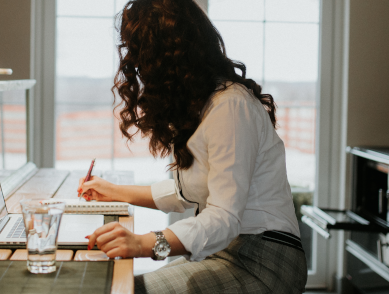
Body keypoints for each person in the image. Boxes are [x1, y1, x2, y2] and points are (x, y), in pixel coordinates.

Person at [76, 0, 308, 293]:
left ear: (170, 56)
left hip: (264, 262)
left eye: (143, 57)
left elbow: (223, 217)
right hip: (227, 251)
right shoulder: (206, 105)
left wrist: (142, 243)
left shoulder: (231, 106)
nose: (137, 68)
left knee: (125, 289)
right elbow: (190, 192)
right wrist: (113, 192)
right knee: (118, 285)